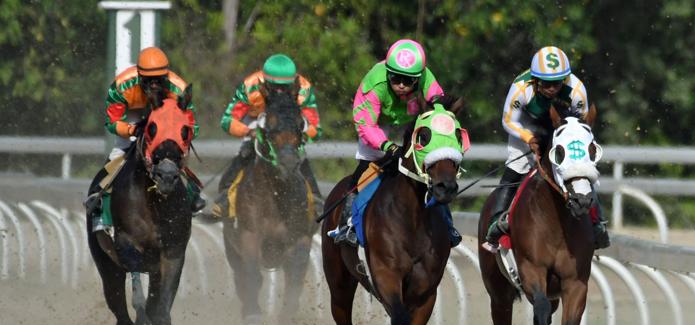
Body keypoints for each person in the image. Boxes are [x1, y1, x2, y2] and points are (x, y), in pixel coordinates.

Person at [331, 39, 461, 247]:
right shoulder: (375, 84)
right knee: (367, 168)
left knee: (432, 170)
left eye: (408, 81)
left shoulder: (426, 77)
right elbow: (366, 125)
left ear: (418, 78)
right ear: (387, 73)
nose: (401, 85)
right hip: (377, 125)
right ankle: (347, 224)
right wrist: (387, 147)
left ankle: (446, 223)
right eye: (395, 78)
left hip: (411, 123)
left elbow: (438, 112)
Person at [485, 46, 610, 250]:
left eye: (557, 83)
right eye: (546, 83)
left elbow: (583, 127)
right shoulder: (520, 88)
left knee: (582, 170)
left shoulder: (577, 90)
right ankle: (496, 221)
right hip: (527, 127)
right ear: (535, 80)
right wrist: (528, 138)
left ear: (565, 79)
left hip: (563, 129)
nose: (552, 88)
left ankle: (598, 222)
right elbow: (508, 120)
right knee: (517, 166)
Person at [85, 46, 204, 226]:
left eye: (159, 79)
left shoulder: (178, 89)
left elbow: (193, 126)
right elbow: (112, 122)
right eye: (149, 80)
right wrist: (132, 130)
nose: (154, 85)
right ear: (139, 75)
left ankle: (192, 195)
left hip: (165, 117)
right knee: (120, 152)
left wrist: (176, 139)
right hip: (132, 115)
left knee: (175, 154)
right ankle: (100, 196)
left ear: (167, 76)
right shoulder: (122, 86)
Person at [211, 53, 322, 217]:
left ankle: (316, 199)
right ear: (265, 82)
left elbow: (315, 127)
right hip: (257, 123)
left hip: (289, 129)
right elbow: (227, 120)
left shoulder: (303, 89)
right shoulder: (250, 86)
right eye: (274, 86)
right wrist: (248, 131)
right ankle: (225, 197)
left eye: (285, 87)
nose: (279, 91)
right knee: (245, 152)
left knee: (300, 156)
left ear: (293, 83)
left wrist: (301, 135)